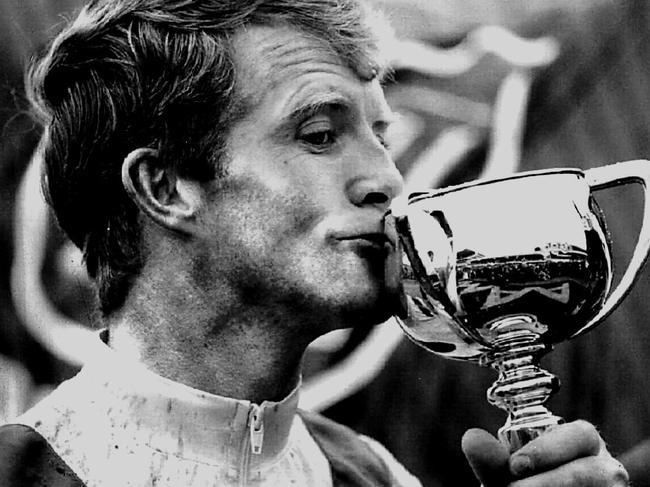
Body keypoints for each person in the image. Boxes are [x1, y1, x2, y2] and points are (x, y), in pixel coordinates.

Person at [0, 0, 629, 485]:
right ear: (164, 188)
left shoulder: (373, 474)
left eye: (382, 135)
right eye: (321, 134)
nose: (387, 179)